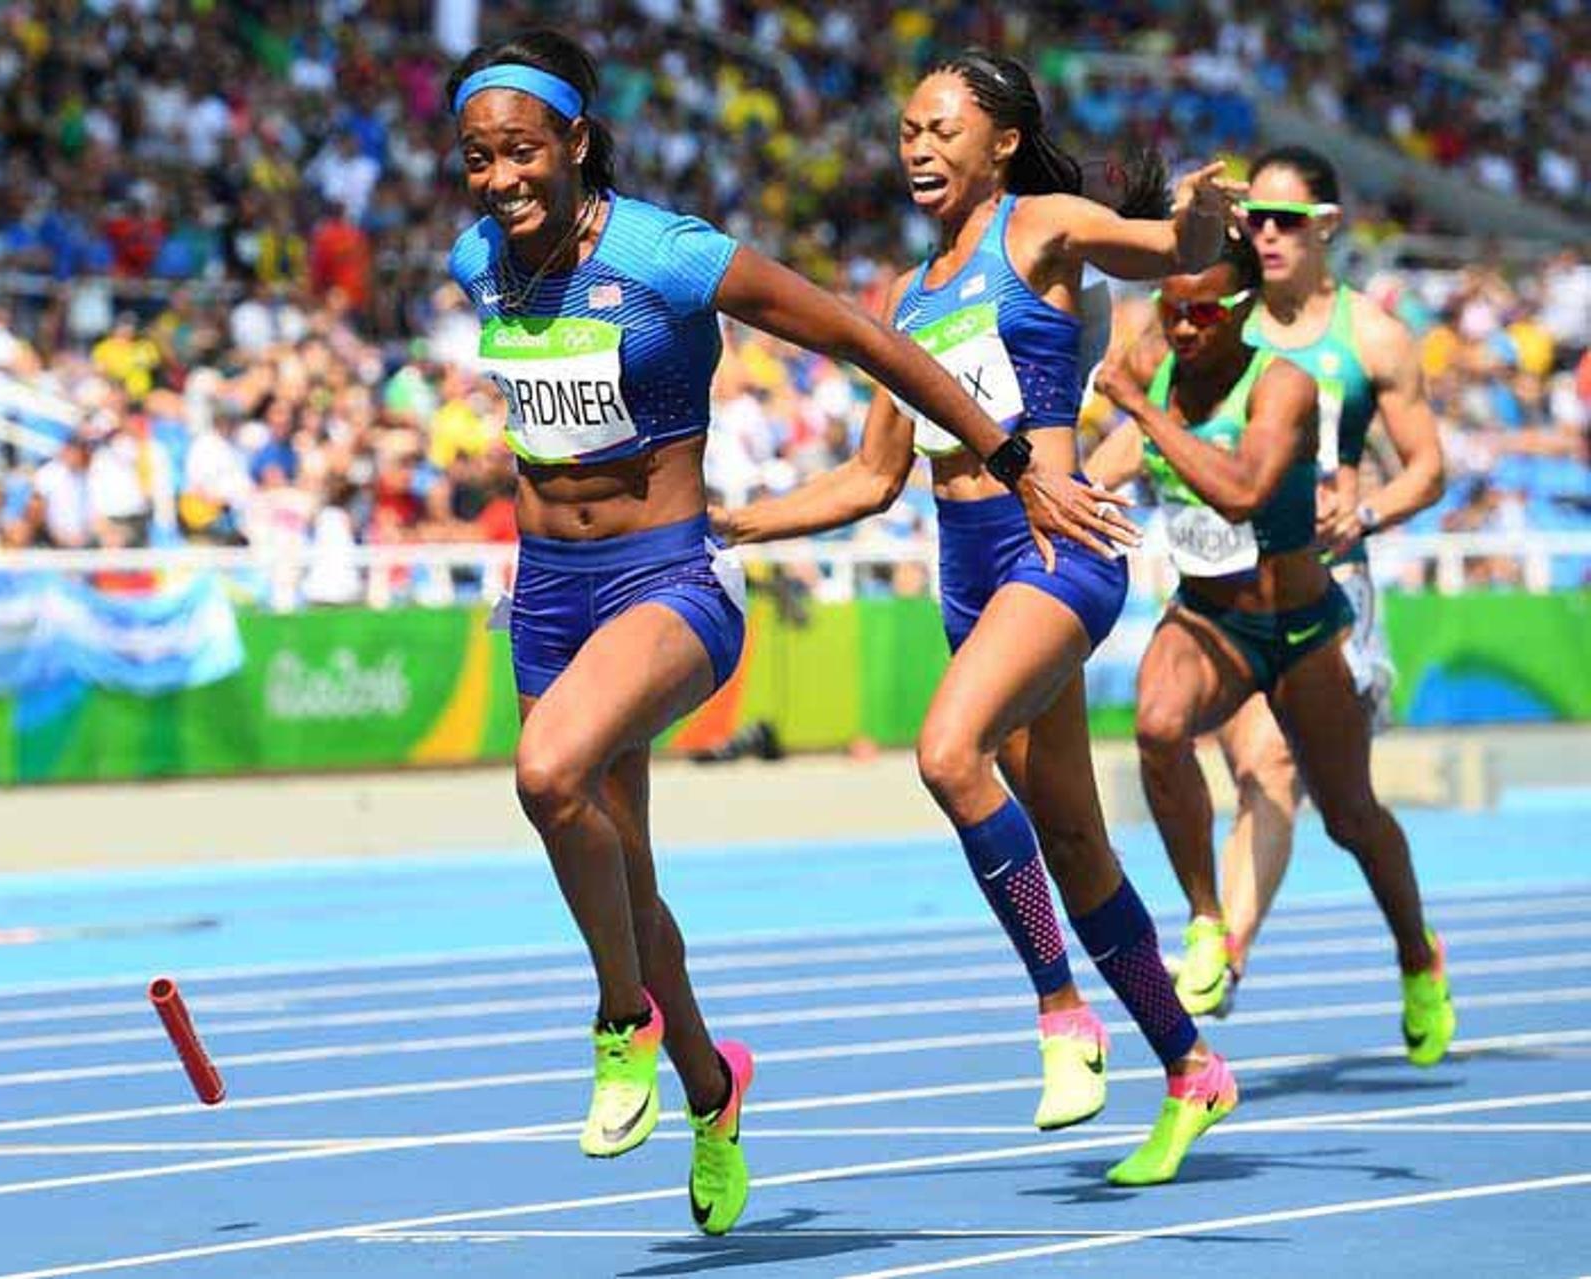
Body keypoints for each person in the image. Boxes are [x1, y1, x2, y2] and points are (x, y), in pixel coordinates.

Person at [445, 30, 1135, 1234]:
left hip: (665, 581)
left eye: (521, 153)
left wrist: (1011, 454)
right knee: (629, 875)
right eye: (477, 158)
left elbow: (867, 341)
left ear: (575, 142)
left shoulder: (669, 253)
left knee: (549, 775)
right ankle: (712, 1092)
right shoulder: (478, 264)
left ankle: (620, 1025)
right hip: (546, 591)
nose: (500, 178)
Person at [719, 50, 1235, 1186]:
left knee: (947, 753)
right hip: (967, 571)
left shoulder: (1041, 227)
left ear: (1000, 140)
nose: (915, 145)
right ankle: (1191, 1063)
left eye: (939, 127)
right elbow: (867, 479)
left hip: (1056, 553)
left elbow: (1168, 253)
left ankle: (1062, 1012)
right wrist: (732, 524)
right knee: (1074, 839)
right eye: (905, 128)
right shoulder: (904, 300)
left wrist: (1197, 218)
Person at [1088, 236, 1456, 1069]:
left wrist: (1141, 413)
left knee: (1351, 817)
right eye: (1170, 310)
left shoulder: (1281, 385)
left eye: (1204, 311)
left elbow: (1244, 490)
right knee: (1157, 726)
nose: (1183, 328)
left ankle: (1415, 954)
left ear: (1244, 310)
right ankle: (1208, 919)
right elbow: (1101, 472)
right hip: (1209, 618)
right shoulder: (1154, 370)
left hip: (1297, 629)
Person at [1172, 146, 1446, 1014]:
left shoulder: (1371, 335)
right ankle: (1227, 954)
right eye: (1254, 218)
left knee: (1349, 814)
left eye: (1285, 220)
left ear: (1327, 227)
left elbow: (1428, 468)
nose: (1265, 234)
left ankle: (1416, 950)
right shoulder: (1224, 322)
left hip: (1334, 594)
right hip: (1233, 591)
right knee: (1263, 762)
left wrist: (1365, 513)